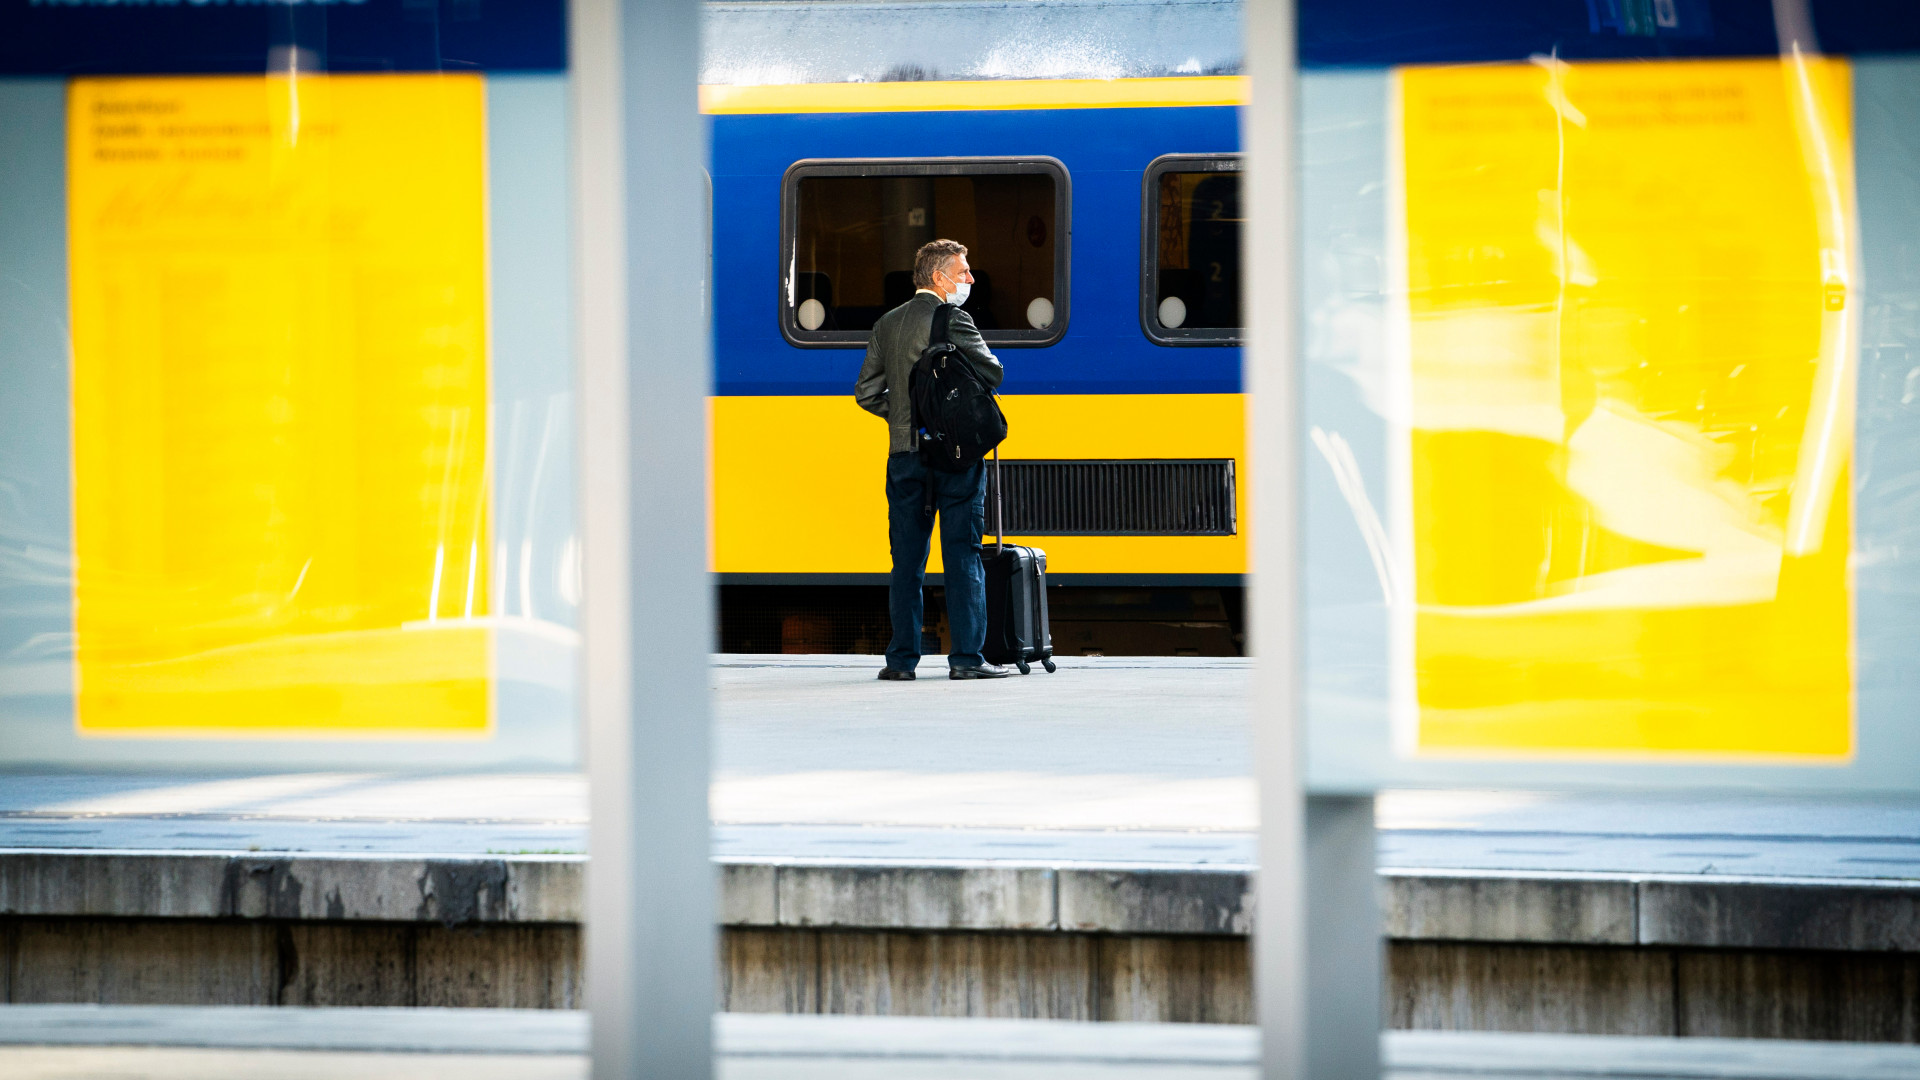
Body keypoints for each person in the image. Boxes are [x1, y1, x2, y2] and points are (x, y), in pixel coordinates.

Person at [854, 239, 1010, 681]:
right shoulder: (954, 319)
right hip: (955, 456)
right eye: (963, 273)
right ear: (939, 278)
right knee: (962, 554)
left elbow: (866, 392)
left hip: (904, 456)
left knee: (906, 559)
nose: (970, 280)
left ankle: (901, 661)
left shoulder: (887, 324)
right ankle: (965, 660)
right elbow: (993, 372)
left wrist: (905, 417)